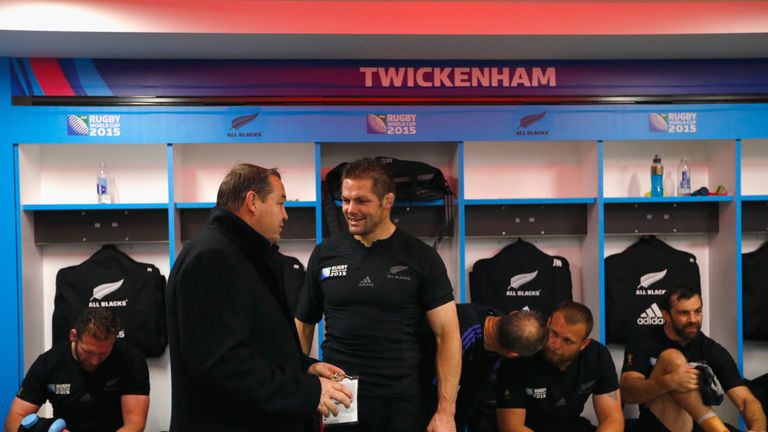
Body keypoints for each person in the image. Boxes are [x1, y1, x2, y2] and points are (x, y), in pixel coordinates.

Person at [166, 163, 352, 432]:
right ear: (252, 201)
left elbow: (258, 344)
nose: (286, 215)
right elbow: (222, 363)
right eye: (280, 203)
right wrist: (308, 391)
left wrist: (305, 368)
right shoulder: (212, 257)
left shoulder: (242, 255)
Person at [295, 157, 462, 432]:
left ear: (388, 201)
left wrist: (446, 412)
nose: (350, 209)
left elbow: (448, 335)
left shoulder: (422, 257)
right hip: (341, 396)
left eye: (362, 201)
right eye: (345, 200)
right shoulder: (325, 254)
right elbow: (303, 326)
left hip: (401, 401)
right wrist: (298, 388)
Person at [620, 285, 766, 432]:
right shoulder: (643, 342)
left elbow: (746, 400)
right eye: (684, 313)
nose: (693, 319)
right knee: (672, 357)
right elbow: (627, 393)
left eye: (697, 311)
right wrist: (669, 382)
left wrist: (758, 429)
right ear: (666, 315)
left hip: (695, 426)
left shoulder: (711, 349)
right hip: (655, 426)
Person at [4, 307, 149, 432]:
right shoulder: (48, 363)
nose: (95, 361)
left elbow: (135, 424)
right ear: (73, 336)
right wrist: (45, 428)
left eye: (103, 353)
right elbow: (12, 422)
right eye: (88, 352)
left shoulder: (131, 359)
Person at [497, 301, 624, 432]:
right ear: (548, 323)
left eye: (567, 341)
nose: (555, 345)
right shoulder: (522, 354)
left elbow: (612, 419)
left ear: (583, 344)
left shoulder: (597, 356)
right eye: (554, 333)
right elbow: (511, 426)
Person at [421, 303, 548, 432]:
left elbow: (469, 396)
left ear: (513, 312)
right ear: (512, 355)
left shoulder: (498, 338)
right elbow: (432, 390)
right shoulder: (463, 336)